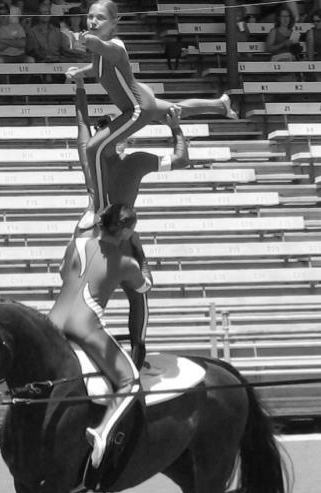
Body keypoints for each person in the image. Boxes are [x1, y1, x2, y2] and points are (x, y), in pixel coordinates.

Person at [65, 0, 237, 220]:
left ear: (114, 22)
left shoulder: (114, 46)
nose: (93, 21)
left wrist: (81, 37)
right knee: (175, 110)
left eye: (100, 17)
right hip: (138, 95)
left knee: (92, 148)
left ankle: (98, 209)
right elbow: (98, 68)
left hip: (136, 107)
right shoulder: (100, 52)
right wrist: (81, 73)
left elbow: (100, 47)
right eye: (90, 16)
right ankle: (221, 105)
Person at [74, 77, 188, 368]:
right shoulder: (135, 161)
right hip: (123, 236)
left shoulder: (92, 156)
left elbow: (82, 126)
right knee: (140, 295)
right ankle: (137, 354)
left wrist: (79, 88)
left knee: (86, 297)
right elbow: (181, 159)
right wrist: (175, 127)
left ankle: (85, 354)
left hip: (92, 232)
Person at [49, 203, 152, 468]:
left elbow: (62, 271)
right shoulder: (125, 262)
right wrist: (140, 252)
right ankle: (103, 432)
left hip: (53, 322)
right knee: (131, 380)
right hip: (85, 326)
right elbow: (145, 286)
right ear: (127, 231)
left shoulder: (79, 244)